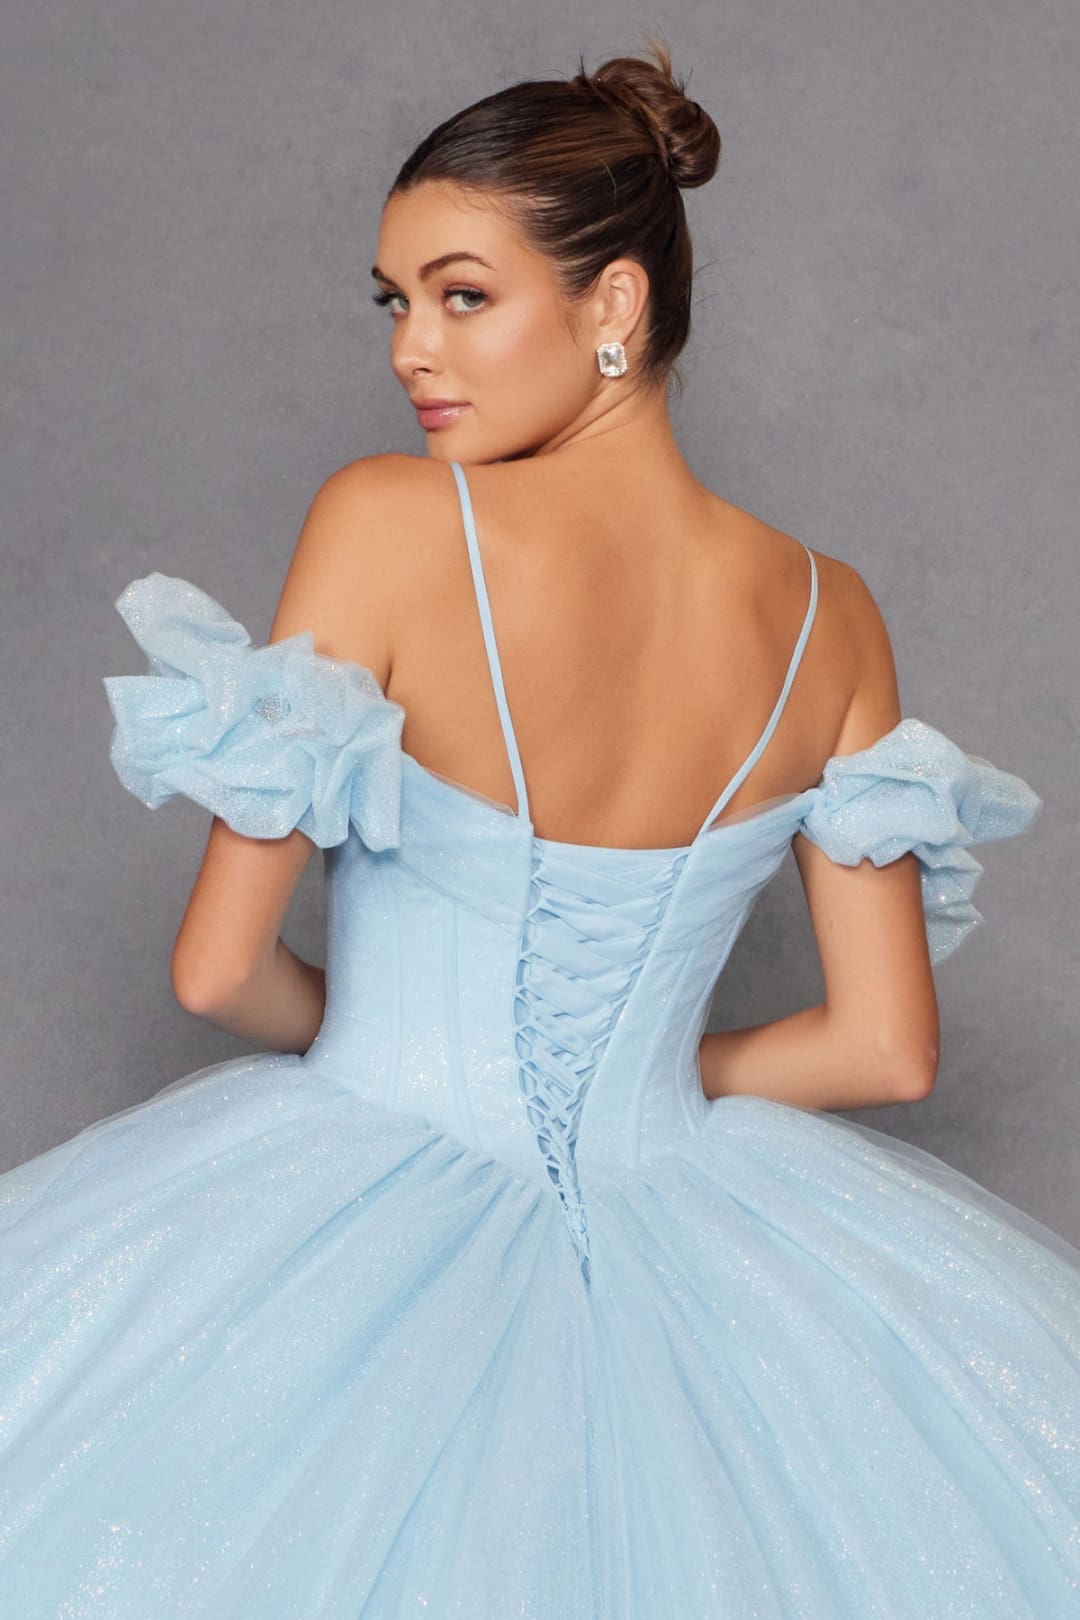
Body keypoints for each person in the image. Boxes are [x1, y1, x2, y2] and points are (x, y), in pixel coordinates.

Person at [2, 33, 1077, 1619]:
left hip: (360, 1188)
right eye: (394, 301)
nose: (410, 350)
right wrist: (643, 1085)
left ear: (614, 302)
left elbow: (218, 970)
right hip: (704, 1231)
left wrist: (398, 1043)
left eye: (462, 296)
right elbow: (883, 1050)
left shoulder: (386, 521)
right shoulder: (830, 613)